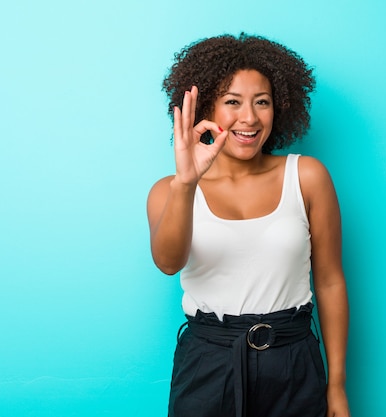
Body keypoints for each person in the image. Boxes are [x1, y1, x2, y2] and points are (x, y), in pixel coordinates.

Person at [147, 33, 350, 417]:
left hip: (294, 363)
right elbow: (168, 262)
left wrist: (336, 385)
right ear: (206, 106)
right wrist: (186, 183)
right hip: (208, 364)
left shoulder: (306, 176)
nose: (250, 118)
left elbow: (329, 281)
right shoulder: (169, 191)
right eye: (232, 102)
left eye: (262, 102)